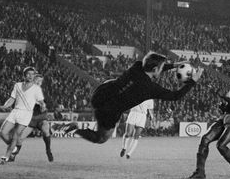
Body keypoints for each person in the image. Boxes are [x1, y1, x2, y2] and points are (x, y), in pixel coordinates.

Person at [66, 52, 203, 144]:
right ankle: (77, 129)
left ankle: (111, 88)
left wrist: (174, 65)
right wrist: (193, 81)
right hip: (109, 110)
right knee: (102, 138)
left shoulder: (137, 66)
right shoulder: (150, 89)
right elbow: (176, 96)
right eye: (161, 68)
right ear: (155, 69)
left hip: (101, 93)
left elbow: (151, 67)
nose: (162, 71)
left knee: (114, 81)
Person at [189, 63, 230, 179]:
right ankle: (199, 172)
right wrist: (223, 107)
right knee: (205, 139)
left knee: (221, 145)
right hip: (225, 117)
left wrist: (224, 97)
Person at [0, 67, 46, 164]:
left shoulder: (37, 89)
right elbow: (12, 98)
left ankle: (6, 157)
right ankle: (14, 147)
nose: (30, 76)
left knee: (15, 136)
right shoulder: (18, 85)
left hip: (26, 114)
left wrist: (43, 106)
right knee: (2, 133)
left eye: (32, 74)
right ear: (24, 75)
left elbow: (41, 101)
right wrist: (5, 105)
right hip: (15, 112)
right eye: (28, 74)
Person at [8, 74, 54, 162]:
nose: (39, 82)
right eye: (37, 80)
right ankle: (13, 155)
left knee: (46, 129)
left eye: (40, 81)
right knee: (20, 138)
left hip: (41, 118)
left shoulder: (43, 92)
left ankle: (48, 151)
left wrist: (44, 106)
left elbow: (48, 104)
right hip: (30, 119)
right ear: (33, 80)